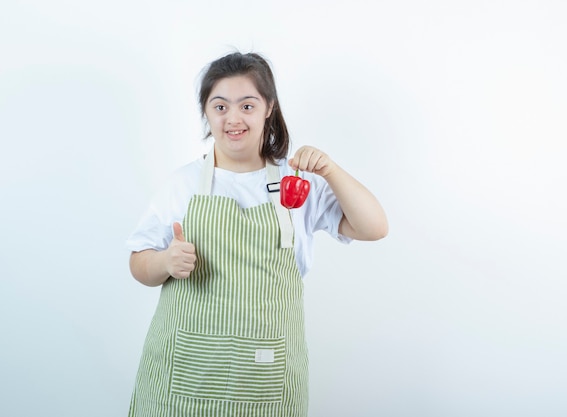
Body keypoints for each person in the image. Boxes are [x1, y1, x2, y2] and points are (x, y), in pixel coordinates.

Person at [126, 51, 388, 417]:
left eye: (247, 105)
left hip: (267, 374)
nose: (233, 118)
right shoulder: (182, 184)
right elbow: (139, 263)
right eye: (220, 107)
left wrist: (330, 170)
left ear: (268, 108)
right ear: (206, 112)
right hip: (186, 374)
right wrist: (165, 261)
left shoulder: (294, 184)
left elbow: (374, 227)